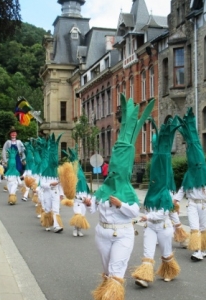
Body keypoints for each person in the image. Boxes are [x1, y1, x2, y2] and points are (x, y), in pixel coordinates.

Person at [83, 95, 155, 300]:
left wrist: (121, 203)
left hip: (122, 234)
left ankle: (112, 295)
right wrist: (89, 203)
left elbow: (134, 212)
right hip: (102, 234)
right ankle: (106, 290)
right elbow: (93, 208)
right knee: (107, 270)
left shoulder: (128, 191)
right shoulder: (104, 188)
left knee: (116, 271)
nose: (114, 172)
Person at [132, 117, 180, 288]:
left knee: (166, 253)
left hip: (164, 228)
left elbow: (163, 213)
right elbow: (147, 210)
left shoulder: (165, 193)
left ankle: (169, 271)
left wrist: (147, 217)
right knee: (147, 252)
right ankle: (144, 277)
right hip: (151, 227)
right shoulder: (150, 193)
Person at [173, 108, 206, 261]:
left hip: (204, 204)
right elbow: (182, 189)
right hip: (193, 204)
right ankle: (197, 251)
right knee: (194, 227)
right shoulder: (189, 174)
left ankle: (202, 248)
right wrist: (175, 200)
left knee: (203, 227)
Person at [59, 145, 91, 237]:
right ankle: (75, 229)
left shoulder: (83, 180)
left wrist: (88, 199)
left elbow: (88, 191)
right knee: (78, 214)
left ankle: (79, 229)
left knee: (82, 216)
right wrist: (81, 199)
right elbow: (72, 193)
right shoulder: (72, 179)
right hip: (77, 201)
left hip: (84, 201)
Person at [39, 133, 65, 233]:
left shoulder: (57, 171)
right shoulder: (45, 171)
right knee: (48, 209)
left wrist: (62, 193)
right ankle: (48, 223)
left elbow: (61, 183)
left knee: (56, 209)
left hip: (55, 192)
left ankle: (57, 225)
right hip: (47, 192)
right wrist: (50, 184)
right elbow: (41, 184)